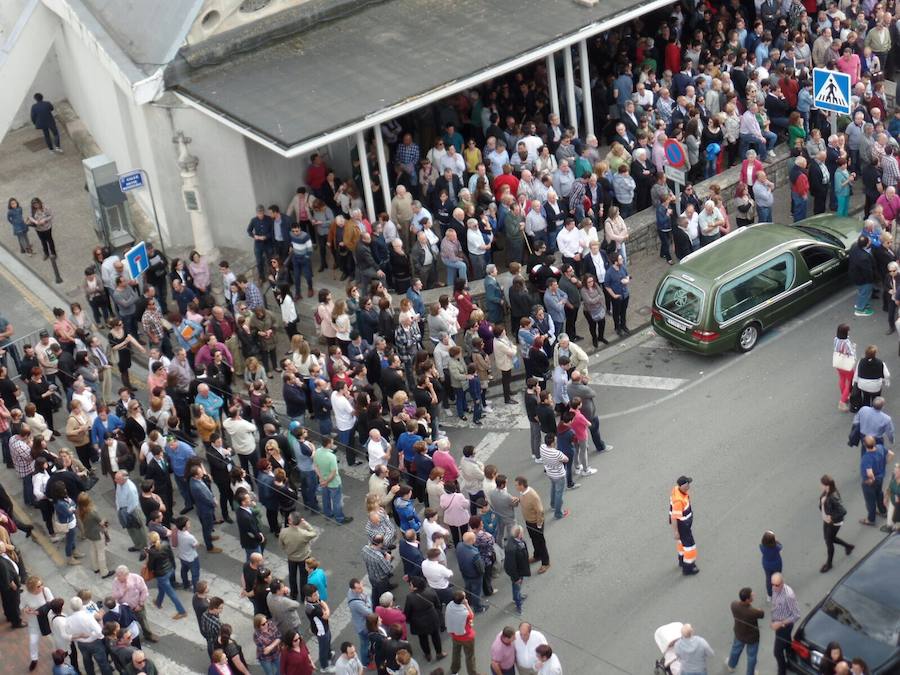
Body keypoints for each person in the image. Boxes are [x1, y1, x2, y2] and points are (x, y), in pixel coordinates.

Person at [145, 531, 187, 619]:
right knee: (161, 587)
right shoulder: (165, 544)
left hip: (161, 575)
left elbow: (150, 567)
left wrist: (147, 555)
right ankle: (158, 602)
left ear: (150, 540)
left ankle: (182, 611)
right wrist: (173, 566)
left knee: (171, 594)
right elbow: (171, 556)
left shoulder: (152, 552)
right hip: (170, 569)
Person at [67, 595, 112, 675]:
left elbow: (69, 634)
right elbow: (99, 632)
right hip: (95, 642)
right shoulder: (88, 616)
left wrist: (79, 637)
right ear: (81, 605)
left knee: (87, 662)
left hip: (81, 644)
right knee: (103, 663)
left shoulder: (68, 620)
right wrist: (93, 635)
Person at [726, 587, 764, 675]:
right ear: (747, 600)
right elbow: (762, 614)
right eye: (752, 595)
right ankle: (750, 673)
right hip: (752, 638)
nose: (753, 595)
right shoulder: (753, 612)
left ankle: (731, 665)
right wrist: (759, 610)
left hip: (739, 633)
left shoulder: (734, 604)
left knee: (735, 650)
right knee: (751, 657)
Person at [515, 476, 548, 573]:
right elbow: (524, 500)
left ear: (521, 485)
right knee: (534, 540)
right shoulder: (522, 493)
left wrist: (539, 524)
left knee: (541, 543)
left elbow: (540, 511)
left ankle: (546, 563)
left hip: (535, 523)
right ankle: (537, 556)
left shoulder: (533, 496)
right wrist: (519, 500)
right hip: (528, 521)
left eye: (516, 485)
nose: (515, 487)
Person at [770, 573, 801, 675]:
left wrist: (780, 623)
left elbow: (796, 615)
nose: (774, 587)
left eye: (777, 585)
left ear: (782, 583)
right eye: (772, 584)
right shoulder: (775, 589)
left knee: (777, 652)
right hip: (778, 623)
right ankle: (792, 662)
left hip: (785, 626)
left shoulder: (789, 595)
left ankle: (782, 671)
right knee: (787, 644)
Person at [859, 435, 892, 527]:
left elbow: (869, 473)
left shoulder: (867, 457)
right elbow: (891, 454)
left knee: (870, 501)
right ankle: (883, 511)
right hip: (880, 478)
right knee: (879, 494)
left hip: (870, 482)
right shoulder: (880, 448)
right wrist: (885, 463)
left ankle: (871, 519)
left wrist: (872, 479)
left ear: (864, 445)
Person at [445, 591, 478, 675]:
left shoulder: (449, 606)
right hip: (467, 637)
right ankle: (472, 673)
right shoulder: (464, 613)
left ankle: (454, 670)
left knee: (456, 653)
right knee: (470, 656)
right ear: (462, 600)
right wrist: (466, 604)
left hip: (455, 635)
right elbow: (471, 615)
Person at [503, 525, 530, 615]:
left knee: (517, 587)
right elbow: (511, 566)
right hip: (517, 573)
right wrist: (516, 578)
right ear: (519, 534)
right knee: (516, 587)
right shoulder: (512, 548)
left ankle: (516, 597)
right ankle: (518, 605)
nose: (523, 533)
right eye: (522, 532)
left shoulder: (517, 541)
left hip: (520, 569)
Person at [833, 324, 856, 412]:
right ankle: (842, 402)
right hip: (846, 365)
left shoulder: (836, 339)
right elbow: (852, 354)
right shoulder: (846, 343)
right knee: (849, 383)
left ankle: (844, 395)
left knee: (842, 379)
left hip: (838, 363)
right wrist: (854, 348)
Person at [759, 530, 783, 601]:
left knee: (768, 579)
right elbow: (781, 546)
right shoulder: (776, 548)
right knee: (777, 577)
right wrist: (777, 541)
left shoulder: (761, 546)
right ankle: (778, 591)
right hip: (776, 564)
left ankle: (769, 595)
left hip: (766, 564)